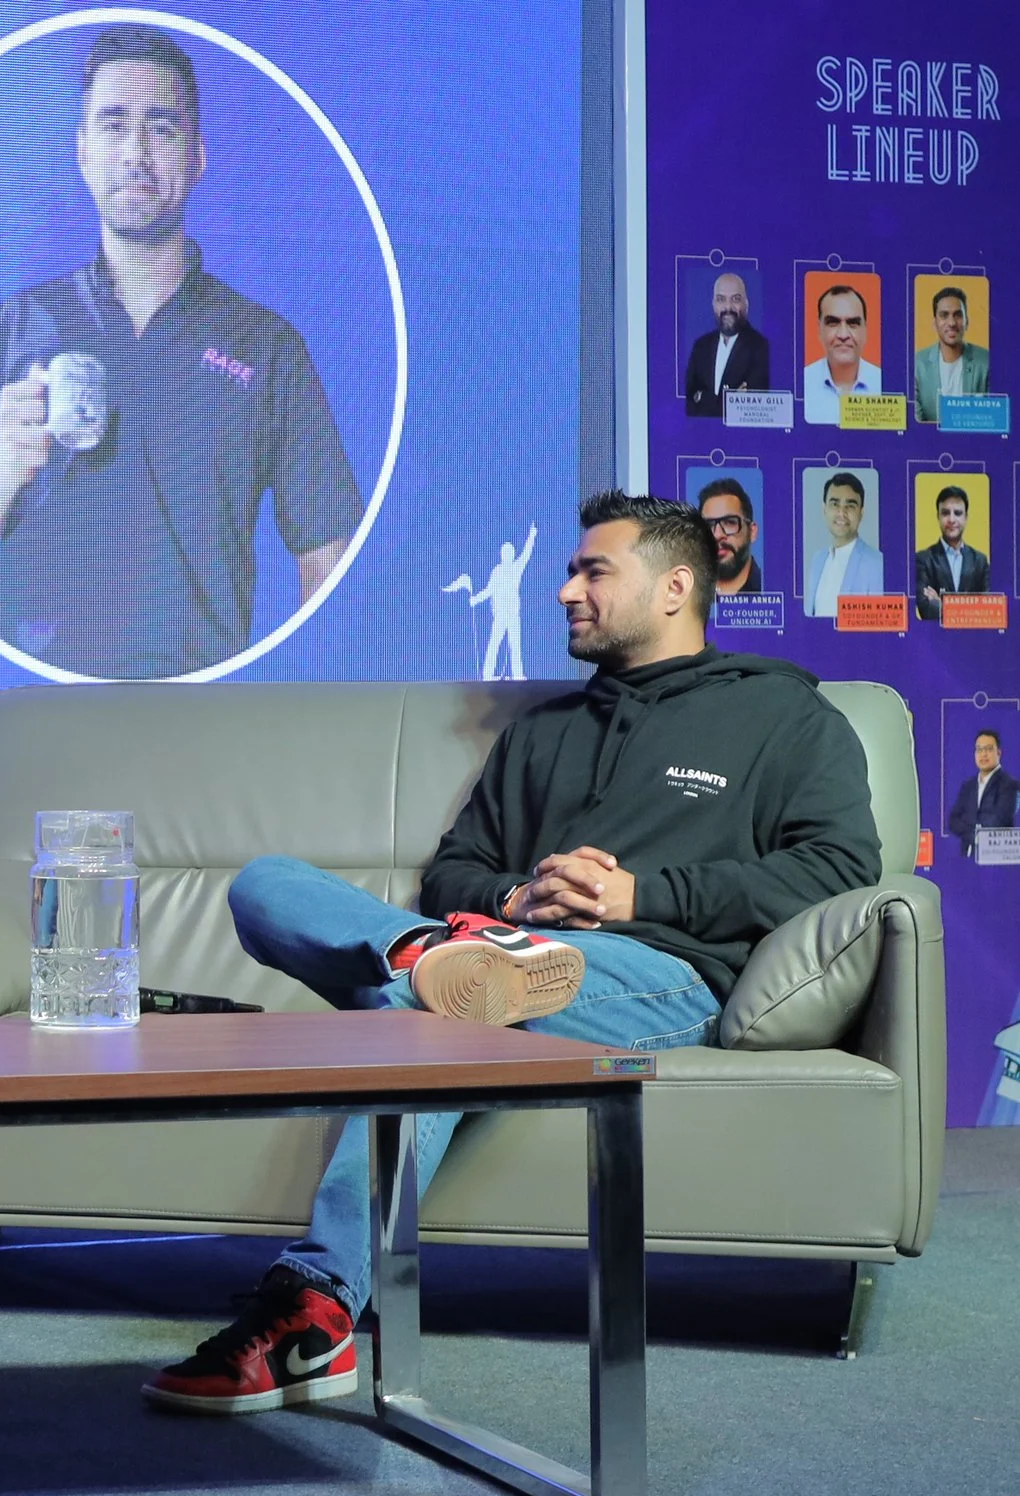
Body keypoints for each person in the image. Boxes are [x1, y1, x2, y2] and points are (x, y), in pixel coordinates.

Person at [143, 491, 879, 1415]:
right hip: (498, 949)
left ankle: (314, 1308)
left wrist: (639, 895)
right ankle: (435, 962)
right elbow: (456, 870)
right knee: (264, 884)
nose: (566, 589)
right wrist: (509, 900)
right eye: (570, 570)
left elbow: (841, 868)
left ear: (675, 587)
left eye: (592, 570)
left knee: (423, 1014)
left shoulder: (785, 718)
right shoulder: (545, 732)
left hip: (659, 972)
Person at [0, 24, 362, 680]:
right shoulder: (18, 325)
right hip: (38, 715)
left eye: (161, 127)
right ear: (82, 149)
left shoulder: (265, 346)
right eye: (113, 123)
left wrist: (302, 711)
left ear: (198, 154)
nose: (136, 152)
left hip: (194, 722)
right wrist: (7, 461)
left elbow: (326, 555)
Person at [683, 273, 772, 415]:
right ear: (713, 304)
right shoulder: (701, 346)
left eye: (735, 299)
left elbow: (750, 410)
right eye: (721, 299)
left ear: (746, 304)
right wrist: (730, 401)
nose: (728, 307)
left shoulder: (762, 348)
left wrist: (703, 398)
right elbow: (688, 400)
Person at [804, 472, 884, 618]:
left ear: (861, 512)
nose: (842, 512)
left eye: (850, 506)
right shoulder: (817, 560)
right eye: (835, 504)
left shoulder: (877, 564)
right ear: (824, 509)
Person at [802, 284, 881, 424]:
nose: (843, 335)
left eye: (853, 323)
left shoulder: (882, 382)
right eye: (833, 323)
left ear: (865, 330)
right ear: (819, 329)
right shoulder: (802, 382)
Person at [912, 287, 991, 423]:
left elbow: (992, 418)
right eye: (944, 315)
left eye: (958, 315)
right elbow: (917, 423)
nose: (952, 323)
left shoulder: (987, 362)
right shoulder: (917, 365)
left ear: (967, 322)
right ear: (934, 323)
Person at [914, 484, 991, 620]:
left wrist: (942, 604)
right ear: (938, 516)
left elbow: (986, 610)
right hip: (935, 638)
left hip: (975, 639)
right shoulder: (923, 559)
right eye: (945, 513)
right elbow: (926, 609)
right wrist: (969, 609)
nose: (951, 519)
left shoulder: (980, 561)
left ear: (966, 517)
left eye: (957, 513)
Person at [947, 729, 1016, 858]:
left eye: (989, 749)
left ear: (999, 753)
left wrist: (970, 829)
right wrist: (974, 832)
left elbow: (998, 821)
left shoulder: (1009, 784)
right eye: (979, 749)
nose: (983, 754)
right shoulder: (968, 786)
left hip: (996, 859)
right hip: (967, 856)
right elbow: (953, 820)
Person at [695, 476, 764, 593]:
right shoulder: (689, 595)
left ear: (752, 532)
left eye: (729, 522)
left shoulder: (770, 589)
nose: (717, 535)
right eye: (708, 525)